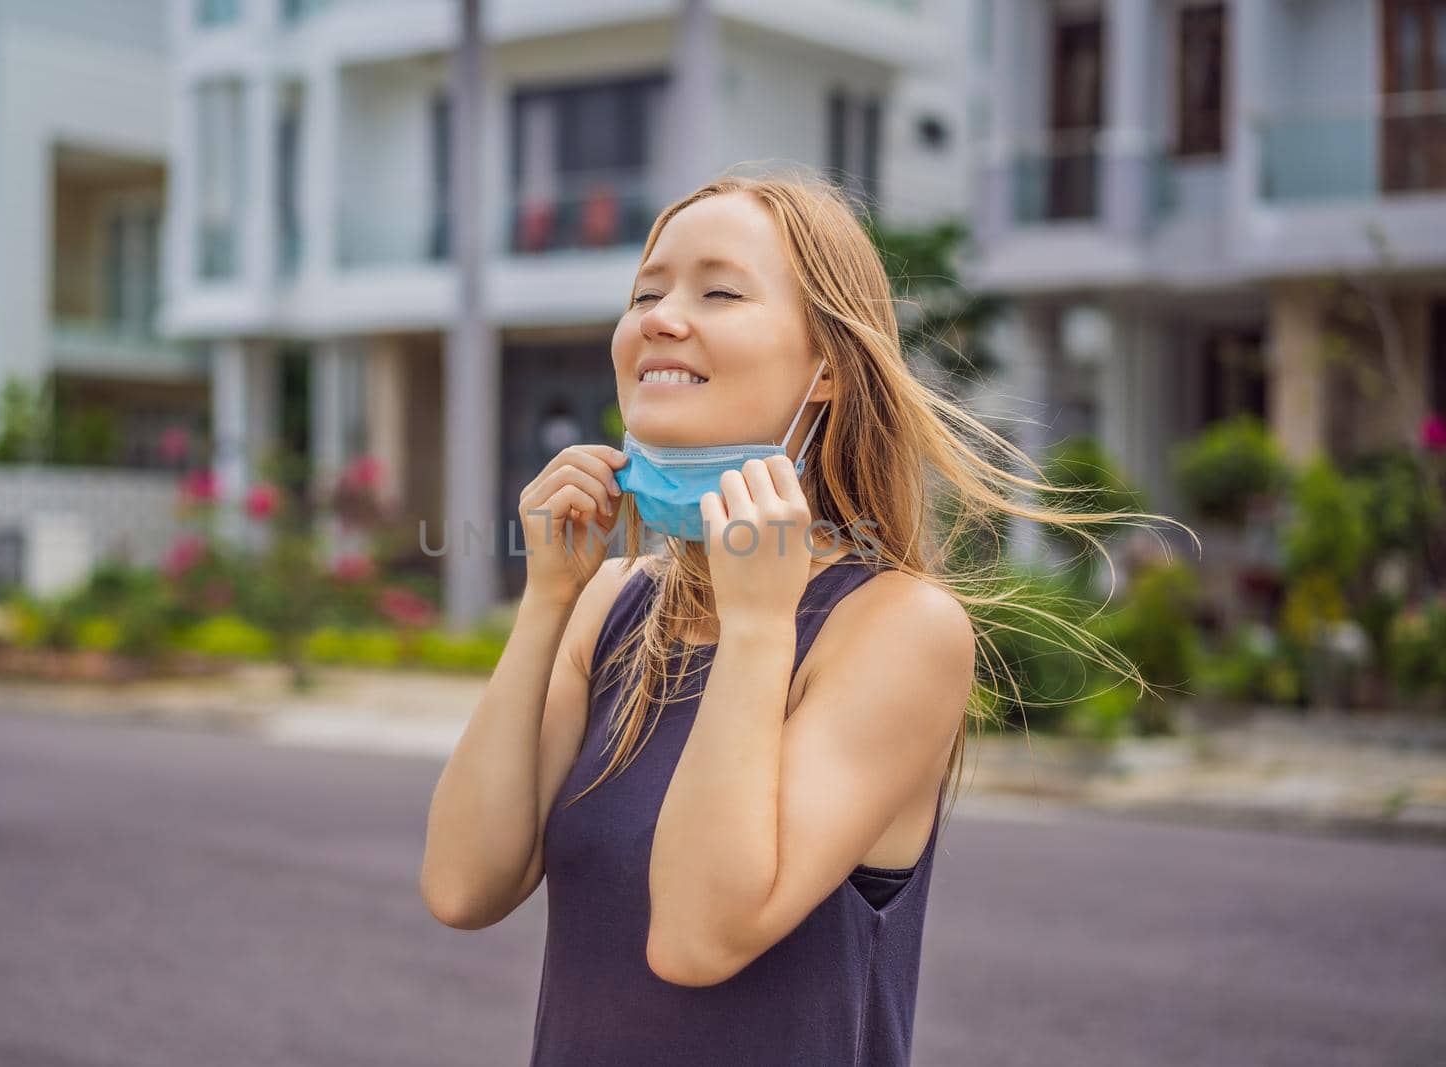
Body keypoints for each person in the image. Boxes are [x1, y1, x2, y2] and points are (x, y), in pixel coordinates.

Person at [420, 171, 1183, 1066]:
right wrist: (547, 599)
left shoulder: (898, 626)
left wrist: (755, 627)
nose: (661, 317)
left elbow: (699, 937)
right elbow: (462, 885)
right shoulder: (607, 601)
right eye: (646, 292)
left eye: (719, 290)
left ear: (826, 367)